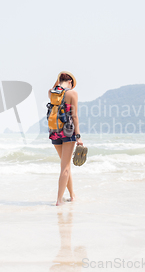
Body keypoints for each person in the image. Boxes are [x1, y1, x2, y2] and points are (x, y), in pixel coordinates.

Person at [48, 71, 83, 206]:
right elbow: (74, 116)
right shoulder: (72, 94)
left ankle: (72, 196)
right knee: (65, 167)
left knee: (65, 165)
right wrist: (78, 136)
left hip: (54, 131)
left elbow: (54, 88)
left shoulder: (51, 93)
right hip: (68, 132)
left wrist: (57, 81)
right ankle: (58, 200)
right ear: (70, 82)